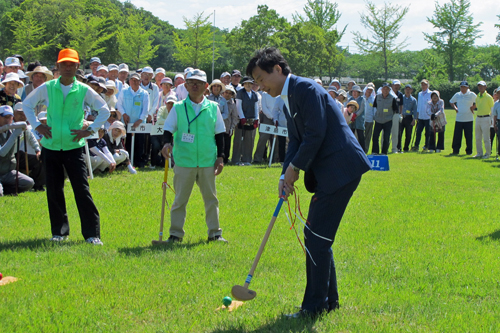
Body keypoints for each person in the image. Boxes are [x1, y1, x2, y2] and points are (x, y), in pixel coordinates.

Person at [247, 47, 370, 319]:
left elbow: (315, 133)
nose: (260, 86)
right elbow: (296, 141)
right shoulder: (288, 97)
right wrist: (284, 174)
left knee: (316, 238)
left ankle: (313, 308)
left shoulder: (305, 89)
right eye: (255, 81)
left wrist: (295, 168)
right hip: (330, 172)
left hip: (341, 169)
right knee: (318, 237)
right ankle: (328, 301)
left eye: (261, 78)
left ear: (277, 69)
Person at [22, 49, 110, 245]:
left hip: (73, 146)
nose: (68, 67)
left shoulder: (84, 89)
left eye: (72, 64)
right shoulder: (47, 87)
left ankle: (92, 234)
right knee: (53, 190)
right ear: (58, 66)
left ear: (78, 66)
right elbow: (26, 105)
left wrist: (91, 129)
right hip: (51, 146)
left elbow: (104, 110)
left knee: (82, 190)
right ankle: (59, 233)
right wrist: (37, 126)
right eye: (64, 64)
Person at [160, 69, 227, 243]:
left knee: (211, 200)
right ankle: (175, 235)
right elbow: (168, 129)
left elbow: (220, 134)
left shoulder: (213, 108)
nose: (195, 85)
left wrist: (221, 157)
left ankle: (215, 234)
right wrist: (167, 144)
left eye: (199, 83)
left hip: (206, 161)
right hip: (184, 161)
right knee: (179, 200)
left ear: (206, 86)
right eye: (191, 82)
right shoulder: (178, 107)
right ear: (186, 86)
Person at [116, 73, 150, 168]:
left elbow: (146, 109)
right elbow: (119, 104)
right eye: (132, 80)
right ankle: (127, 162)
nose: (134, 82)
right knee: (127, 142)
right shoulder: (124, 91)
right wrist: (124, 114)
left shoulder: (144, 93)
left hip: (139, 123)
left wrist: (140, 120)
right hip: (127, 121)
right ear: (129, 81)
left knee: (139, 142)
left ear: (140, 82)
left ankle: (138, 161)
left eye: (136, 80)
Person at [0, 105, 34, 196]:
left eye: (10, 117)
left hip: (8, 172)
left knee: (29, 183)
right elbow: (2, 153)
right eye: (4, 117)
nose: (7, 120)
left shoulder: (11, 130)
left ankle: (6, 190)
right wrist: (15, 135)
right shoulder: (14, 132)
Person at [13, 103, 45, 191]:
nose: (22, 116)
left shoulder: (25, 126)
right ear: (14, 113)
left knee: (41, 158)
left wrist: (38, 150)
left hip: (20, 154)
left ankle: (37, 185)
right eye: (19, 113)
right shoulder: (9, 124)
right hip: (10, 154)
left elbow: (32, 139)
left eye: (24, 113)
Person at [232, 76, 259, 165]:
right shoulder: (240, 93)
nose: (248, 85)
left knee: (249, 140)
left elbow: (256, 107)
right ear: (243, 84)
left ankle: (247, 159)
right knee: (238, 139)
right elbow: (238, 106)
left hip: (251, 119)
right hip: (241, 119)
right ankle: (236, 159)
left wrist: (256, 119)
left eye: (250, 83)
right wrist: (242, 117)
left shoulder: (254, 94)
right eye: (246, 83)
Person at [449, 81, 476, 155]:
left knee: (468, 136)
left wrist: (473, 107)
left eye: (464, 87)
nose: (463, 88)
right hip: (459, 118)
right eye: (461, 87)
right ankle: (455, 150)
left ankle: (469, 151)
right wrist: (455, 108)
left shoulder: (472, 94)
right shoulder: (457, 95)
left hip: (469, 118)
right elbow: (451, 101)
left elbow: (478, 102)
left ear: (467, 87)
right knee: (457, 136)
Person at [371, 83, 399, 155]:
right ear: (382, 89)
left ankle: (384, 152)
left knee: (386, 138)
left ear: (389, 90)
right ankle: (375, 151)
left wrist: (389, 116)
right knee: (375, 136)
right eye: (384, 89)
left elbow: (395, 109)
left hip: (388, 120)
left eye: (387, 89)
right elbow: (374, 106)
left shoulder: (392, 98)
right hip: (378, 120)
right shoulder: (377, 97)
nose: (385, 90)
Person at [253, 91, 278, 163]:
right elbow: (264, 107)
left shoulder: (279, 92)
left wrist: (276, 117)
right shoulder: (265, 93)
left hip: (277, 118)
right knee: (263, 138)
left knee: (276, 140)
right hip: (267, 117)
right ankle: (257, 158)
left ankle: (273, 159)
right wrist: (271, 116)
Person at [472, 81, 494, 158]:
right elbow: (477, 106)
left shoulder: (488, 97)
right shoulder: (477, 96)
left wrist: (491, 119)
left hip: (486, 118)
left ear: (485, 87)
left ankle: (487, 153)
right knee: (477, 137)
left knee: (486, 138)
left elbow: (492, 109)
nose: (480, 87)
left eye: (482, 86)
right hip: (478, 118)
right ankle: (479, 153)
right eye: (479, 86)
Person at [413, 79, 432, 151]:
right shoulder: (419, 94)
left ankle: (426, 146)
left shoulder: (430, 93)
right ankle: (416, 145)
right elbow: (419, 105)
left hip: (428, 116)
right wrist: (417, 115)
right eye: (422, 85)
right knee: (418, 132)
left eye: (425, 84)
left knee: (427, 132)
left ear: (428, 85)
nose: (423, 86)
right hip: (421, 116)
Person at [222, 85, 238, 164]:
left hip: (227, 127)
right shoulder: (219, 101)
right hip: (217, 127)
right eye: (226, 92)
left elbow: (234, 117)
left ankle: (225, 159)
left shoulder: (232, 103)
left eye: (230, 93)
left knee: (227, 145)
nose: (227, 94)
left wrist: (232, 128)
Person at [399, 84, 418, 152]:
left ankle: (406, 148)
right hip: (401, 117)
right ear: (404, 90)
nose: (407, 90)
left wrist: (414, 119)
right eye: (406, 89)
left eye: (409, 89)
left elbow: (415, 110)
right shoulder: (401, 97)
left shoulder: (413, 100)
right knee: (399, 133)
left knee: (408, 134)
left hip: (409, 118)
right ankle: (399, 147)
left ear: (411, 90)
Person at [348, 85, 365, 152]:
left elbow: (361, 109)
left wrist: (355, 115)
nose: (354, 93)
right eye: (353, 91)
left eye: (356, 92)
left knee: (361, 136)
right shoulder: (350, 99)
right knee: (351, 135)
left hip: (359, 120)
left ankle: (363, 151)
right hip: (351, 120)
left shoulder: (362, 99)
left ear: (359, 93)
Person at [390, 80, 404, 153]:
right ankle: (384, 148)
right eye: (395, 85)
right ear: (392, 85)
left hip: (396, 114)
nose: (396, 86)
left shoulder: (400, 94)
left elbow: (401, 105)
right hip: (388, 114)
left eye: (398, 85)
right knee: (386, 132)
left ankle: (394, 148)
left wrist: (400, 114)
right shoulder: (389, 93)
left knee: (395, 132)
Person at [363, 84, 376, 153]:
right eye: (368, 90)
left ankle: (366, 150)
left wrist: (374, 118)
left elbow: (374, 110)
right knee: (360, 135)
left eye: (371, 90)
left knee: (368, 136)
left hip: (369, 120)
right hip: (362, 119)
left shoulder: (373, 99)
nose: (369, 91)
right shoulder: (362, 97)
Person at [492, 88, 500, 159]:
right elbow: (495, 115)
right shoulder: (496, 104)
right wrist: (494, 124)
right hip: (499, 122)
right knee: (499, 138)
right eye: (498, 93)